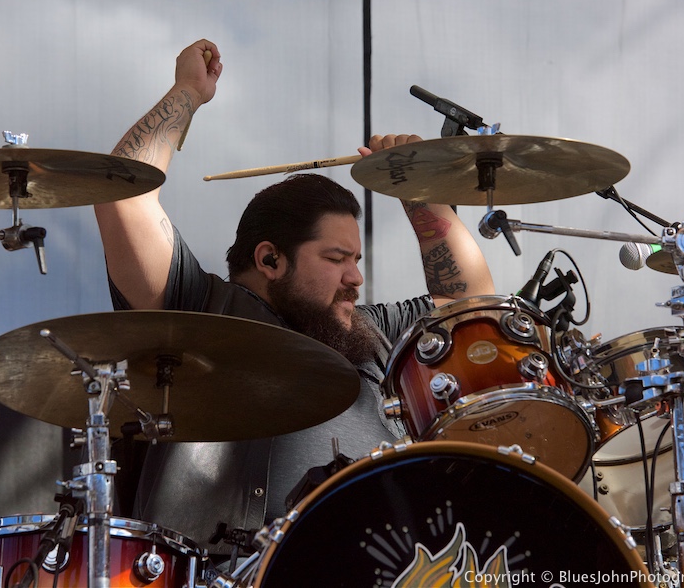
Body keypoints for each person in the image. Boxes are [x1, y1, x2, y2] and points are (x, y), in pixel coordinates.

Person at [94, 39, 495, 563]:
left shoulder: (367, 333)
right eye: (335, 258)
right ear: (269, 260)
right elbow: (123, 194)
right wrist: (187, 93)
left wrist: (420, 192)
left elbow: (470, 308)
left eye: (356, 258)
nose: (356, 276)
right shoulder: (200, 310)